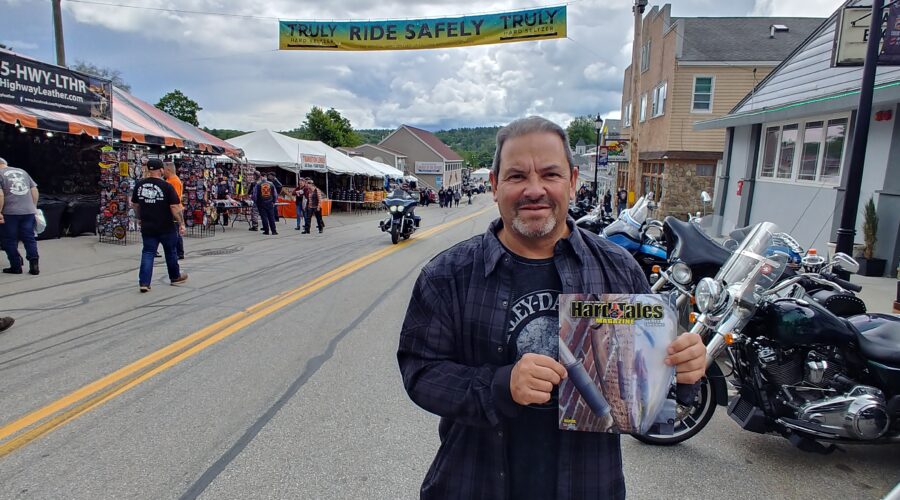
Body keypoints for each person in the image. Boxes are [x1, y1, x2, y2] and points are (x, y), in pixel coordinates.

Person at [397, 116, 705, 499]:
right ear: (494, 186)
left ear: (573, 181)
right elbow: (420, 371)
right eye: (516, 176)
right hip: (471, 483)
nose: (534, 189)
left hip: (587, 486)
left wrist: (684, 374)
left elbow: (649, 401)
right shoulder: (448, 275)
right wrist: (501, 386)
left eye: (550, 174)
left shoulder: (618, 269)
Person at [131, 159, 188, 292]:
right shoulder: (166, 186)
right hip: (166, 226)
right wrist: (182, 223)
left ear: (148, 170)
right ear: (161, 170)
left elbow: (135, 204)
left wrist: (139, 218)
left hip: (148, 225)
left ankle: (144, 282)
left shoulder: (139, 185)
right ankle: (175, 276)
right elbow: (174, 206)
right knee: (170, 252)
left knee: (148, 252)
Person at [0, 157, 40, 275]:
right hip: (28, 211)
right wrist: (34, 206)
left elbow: (0, 195)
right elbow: (34, 190)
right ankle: (34, 265)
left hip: (10, 212)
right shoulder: (22, 171)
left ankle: (16, 266)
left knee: (9, 239)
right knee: (29, 237)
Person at [163, 162, 185, 260]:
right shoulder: (169, 180)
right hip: (172, 209)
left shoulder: (174, 181)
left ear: (168, 170)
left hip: (175, 209)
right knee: (173, 231)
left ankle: (179, 252)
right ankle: (177, 251)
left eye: (163, 169)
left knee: (176, 231)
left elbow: (175, 199)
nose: (162, 171)